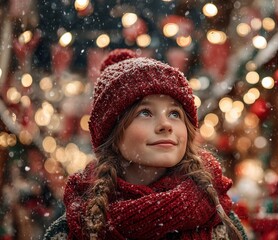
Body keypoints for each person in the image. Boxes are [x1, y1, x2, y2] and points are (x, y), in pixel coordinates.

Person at [43, 49, 247, 240]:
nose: (166, 125)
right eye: (145, 113)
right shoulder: (76, 225)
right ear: (113, 132)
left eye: (175, 114)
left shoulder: (218, 222)